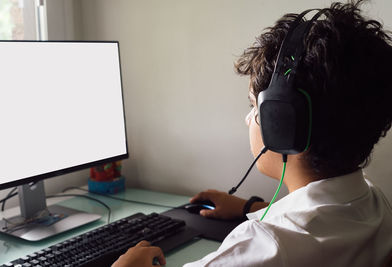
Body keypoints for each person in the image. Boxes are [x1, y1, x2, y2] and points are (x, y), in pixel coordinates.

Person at [113, 1, 392, 266]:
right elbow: (324, 218)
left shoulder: (263, 246)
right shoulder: (374, 203)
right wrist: (251, 205)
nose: (248, 120)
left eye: (254, 108)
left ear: (282, 124)